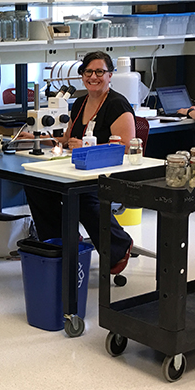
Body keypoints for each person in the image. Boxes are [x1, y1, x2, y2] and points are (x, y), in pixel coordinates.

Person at [23, 51, 135, 275]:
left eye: (100, 72)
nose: (93, 76)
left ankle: (118, 246)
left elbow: (127, 147)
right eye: (88, 71)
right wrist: (39, 139)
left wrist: (89, 149)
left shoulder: (117, 105)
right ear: (82, 75)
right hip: (77, 170)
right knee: (37, 186)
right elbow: (67, 140)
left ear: (110, 75)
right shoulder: (80, 103)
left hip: (107, 174)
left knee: (82, 198)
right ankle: (60, 244)